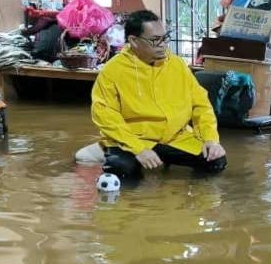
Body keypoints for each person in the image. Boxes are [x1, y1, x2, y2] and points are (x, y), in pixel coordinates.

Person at [92, 10, 227, 180]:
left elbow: (201, 105)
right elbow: (105, 115)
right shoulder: (113, 70)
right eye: (156, 40)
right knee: (121, 170)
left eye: (165, 38)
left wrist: (210, 139)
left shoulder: (177, 65)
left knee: (216, 161)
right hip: (133, 139)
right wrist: (138, 148)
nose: (163, 45)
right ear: (133, 41)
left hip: (174, 138)